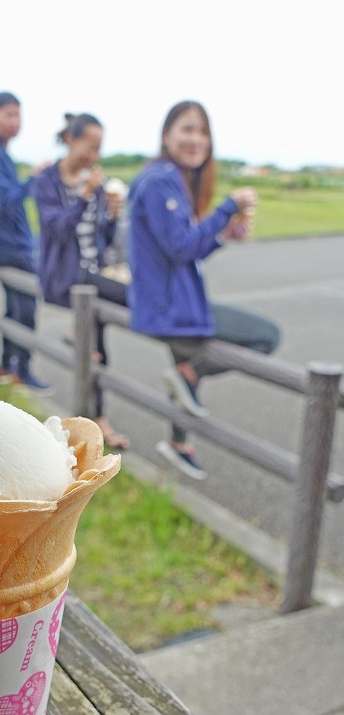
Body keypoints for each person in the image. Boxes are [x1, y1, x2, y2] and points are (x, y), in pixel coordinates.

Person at [128, 100, 280, 480]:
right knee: (265, 336)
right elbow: (182, 247)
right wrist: (227, 208)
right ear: (167, 136)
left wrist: (222, 236)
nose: (196, 139)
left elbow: (185, 249)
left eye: (202, 132)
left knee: (181, 365)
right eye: (187, 129)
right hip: (170, 307)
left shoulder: (168, 178)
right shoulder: (162, 181)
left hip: (170, 301)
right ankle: (191, 378)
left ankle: (179, 443)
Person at [33, 113, 130, 449]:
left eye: (99, 149)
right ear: (71, 140)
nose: (94, 156)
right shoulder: (47, 180)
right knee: (123, 307)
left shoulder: (96, 184)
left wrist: (113, 217)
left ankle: (92, 424)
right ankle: (94, 423)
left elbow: (100, 236)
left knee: (97, 348)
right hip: (66, 278)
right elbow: (57, 229)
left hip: (93, 275)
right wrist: (85, 196)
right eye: (90, 147)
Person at [0, 91, 51, 392]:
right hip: (9, 247)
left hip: (4, 244)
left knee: (15, 308)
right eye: (8, 114)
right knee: (26, 308)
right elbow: (4, 201)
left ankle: (7, 367)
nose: (15, 122)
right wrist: (33, 179)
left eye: (18, 115)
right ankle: (23, 370)